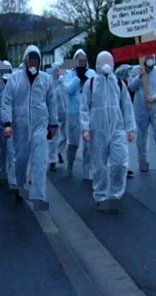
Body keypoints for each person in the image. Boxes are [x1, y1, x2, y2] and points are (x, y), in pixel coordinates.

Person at [1, 45, 59, 211]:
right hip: (20, 127)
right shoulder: (15, 79)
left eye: (36, 60)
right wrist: (7, 123)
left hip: (40, 126)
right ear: (25, 60)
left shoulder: (46, 79)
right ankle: (20, 186)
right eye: (30, 59)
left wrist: (53, 124)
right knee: (21, 161)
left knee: (40, 162)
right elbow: (6, 101)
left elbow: (51, 102)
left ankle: (39, 197)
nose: (33, 62)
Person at [81, 51, 136, 212]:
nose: (106, 64)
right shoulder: (90, 84)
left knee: (120, 163)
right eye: (103, 60)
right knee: (100, 166)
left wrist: (130, 128)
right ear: (97, 63)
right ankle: (101, 196)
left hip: (117, 129)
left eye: (108, 60)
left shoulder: (119, 83)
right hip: (96, 130)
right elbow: (84, 108)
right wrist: (85, 128)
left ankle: (115, 195)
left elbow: (127, 106)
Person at [127, 55, 156, 177]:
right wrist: (139, 76)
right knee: (141, 137)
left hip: (155, 108)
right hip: (140, 108)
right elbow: (131, 87)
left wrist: (154, 97)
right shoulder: (136, 70)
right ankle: (143, 162)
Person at [62, 49, 96, 179]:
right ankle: (70, 163)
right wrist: (78, 77)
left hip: (88, 111)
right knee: (73, 142)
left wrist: (87, 78)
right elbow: (68, 90)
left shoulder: (92, 73)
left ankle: (87, 170)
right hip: (73, 112)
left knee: (88, 142)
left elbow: (95, 90)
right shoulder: (70, 73)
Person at [0, 60, 15, 187]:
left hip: (10, 123)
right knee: (2, 149)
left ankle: (12, 177)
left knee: (11, 151)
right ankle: (2, 171)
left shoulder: (15, 84)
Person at [48, 64, 68, 172]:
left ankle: (58, 152)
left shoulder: (63, 83)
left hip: (64, 114)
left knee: (64, 138)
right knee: (54, 139)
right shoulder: (51, 84)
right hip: (54, 115)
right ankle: (52, 161)